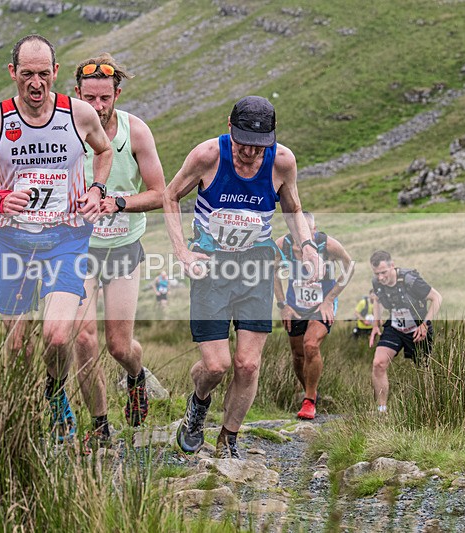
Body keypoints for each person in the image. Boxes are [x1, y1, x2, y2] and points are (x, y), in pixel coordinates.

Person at [0, 35, 113, 442]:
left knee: (58, 335)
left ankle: (55, 394)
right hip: (12, 243)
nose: (36, 83)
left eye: (44, 74)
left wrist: (97, 190)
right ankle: (18, 419)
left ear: (56, 73)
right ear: (13, 73)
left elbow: (104, 151)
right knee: (18, 348)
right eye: (26, 74)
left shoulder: (78, 114)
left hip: (66, 239)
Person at [164, 95, 320, 459]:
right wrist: (182, 252)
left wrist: (308, 246)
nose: (250, 153)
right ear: (229, 127)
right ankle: (198, 405)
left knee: (248, 364)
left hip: (255, 267)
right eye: (243, 144)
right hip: (211, 267)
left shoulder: (282, 162)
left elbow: (293, 207)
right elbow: (170, 196)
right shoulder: (207, 156)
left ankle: (229, 439)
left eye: (259, 146)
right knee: (216, 366)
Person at [70, 53, 166, 450]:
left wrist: (119, 203)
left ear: (116, 95)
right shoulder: (65, 131)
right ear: (76, 94)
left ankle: (137, 378)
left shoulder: (135, 131)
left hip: (124, 246)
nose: (97, 106)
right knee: (82, 338)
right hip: (79, 248)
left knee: (119, 346)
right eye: (89, 98)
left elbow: (160, 193)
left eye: (104, 98)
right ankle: (99, 423)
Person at [273, 211, 353, 420]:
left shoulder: (327, 245)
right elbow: (270, 272)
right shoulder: (282, 245)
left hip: (321, 305)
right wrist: (283, 305)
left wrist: (329, 299)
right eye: (297, 232)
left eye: (307, 232)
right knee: (298, 356)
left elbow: (349, 267)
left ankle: (309, 401)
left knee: (311, 345)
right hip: (295, 306)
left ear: (314, 230)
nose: (302, 237)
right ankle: (311, 391)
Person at [369, 250, 443, 413]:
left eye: (383, 272)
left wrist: (425, 324)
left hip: (418, 328)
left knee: (424, 369)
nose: (380, 278)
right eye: (377, 274)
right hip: (395, 327)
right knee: (378, 364)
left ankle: (429, 409)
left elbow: (437, 298)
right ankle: (381, 410)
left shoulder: (410, 280)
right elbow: (377, 299)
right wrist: (376, 324)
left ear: (392, 266)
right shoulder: (377, 282)